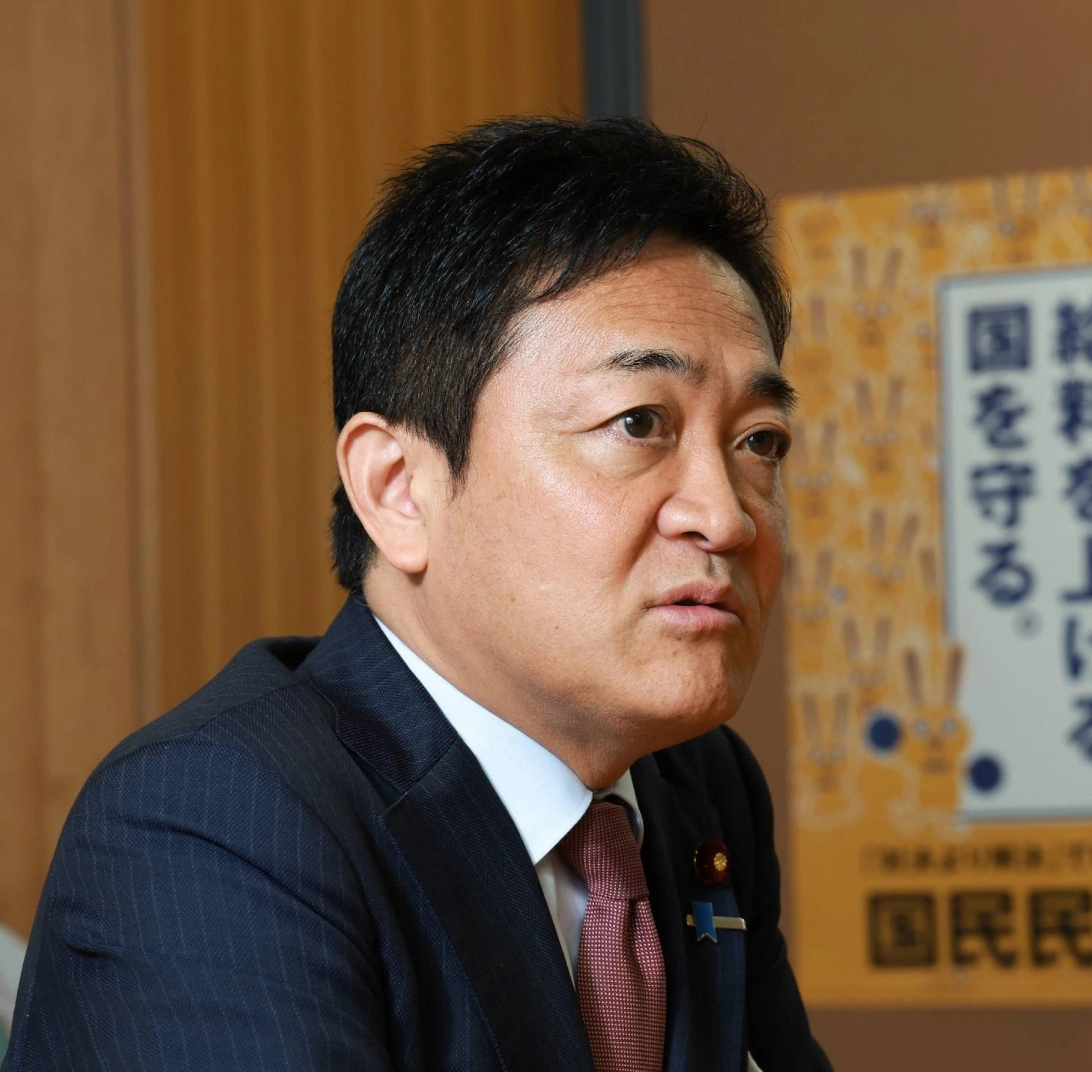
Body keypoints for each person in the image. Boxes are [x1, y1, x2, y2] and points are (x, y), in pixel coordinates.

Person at [3, 117, 832, 1072]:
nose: (725, 518)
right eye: (638, 422)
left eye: (759, 441)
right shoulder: (216, 822)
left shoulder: (700, 785)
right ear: (399, 488)